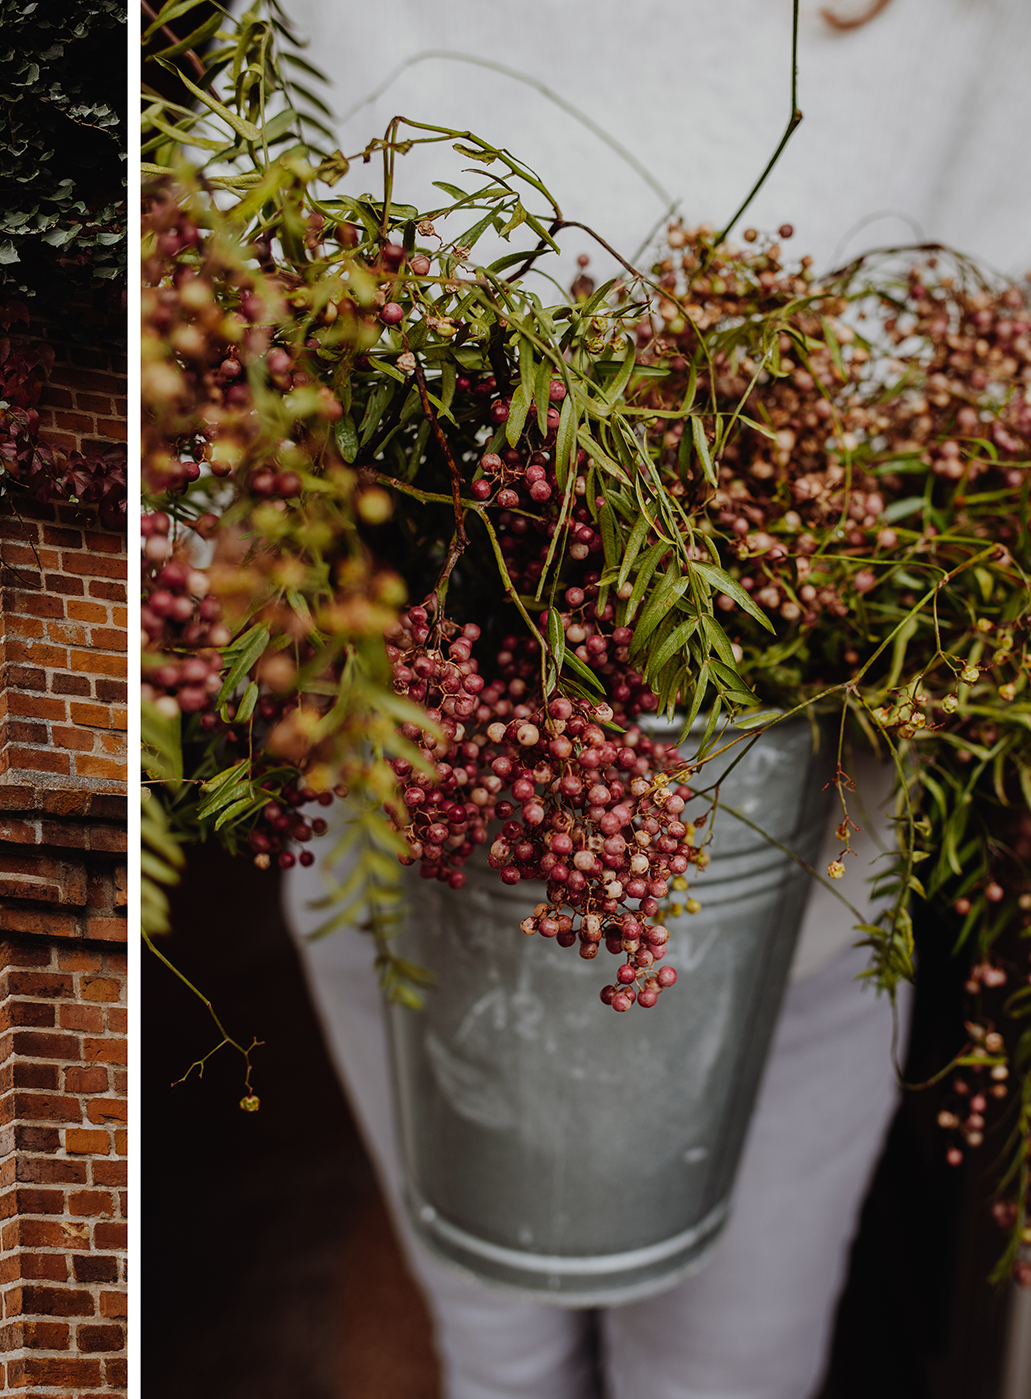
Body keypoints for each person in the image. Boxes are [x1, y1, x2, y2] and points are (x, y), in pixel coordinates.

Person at [275, 2, 1031, 1394]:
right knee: (496, 1346)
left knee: (731, 1372)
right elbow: (229, 380)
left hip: (800, 880)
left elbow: (989, 426)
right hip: (421, 858)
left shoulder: (965, 34)